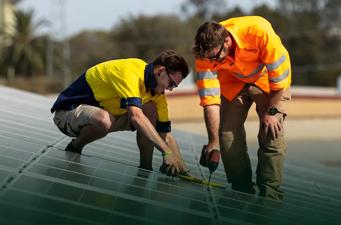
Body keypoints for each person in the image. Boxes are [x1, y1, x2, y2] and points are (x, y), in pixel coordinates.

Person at [192, 16, 291, 200]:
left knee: (272, 131)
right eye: (209, 58)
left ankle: (270, 193)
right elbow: (210, 101)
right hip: (234, 83)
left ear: (226, 41)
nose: (212, 62)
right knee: (226, 136)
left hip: (268, 82)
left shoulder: (258, 31)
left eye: (215, 57)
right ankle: (242, 189)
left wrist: (272, 112)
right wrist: (213, 141)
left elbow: (279, 81)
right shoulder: (205, 55)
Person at [51, 50, 190, 177]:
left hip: (104, 116)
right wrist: (167, 152)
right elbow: (136, 116)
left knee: (151, 110)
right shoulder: (129, 71)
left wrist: (183, 169)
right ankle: (75, 147)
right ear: (161, 71)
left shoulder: (157, 93)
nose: (171, 89)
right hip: (67, 113)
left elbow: (165, 133)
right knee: (106, 119)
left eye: (174, 86)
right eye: (171, 83)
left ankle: (145, 169)